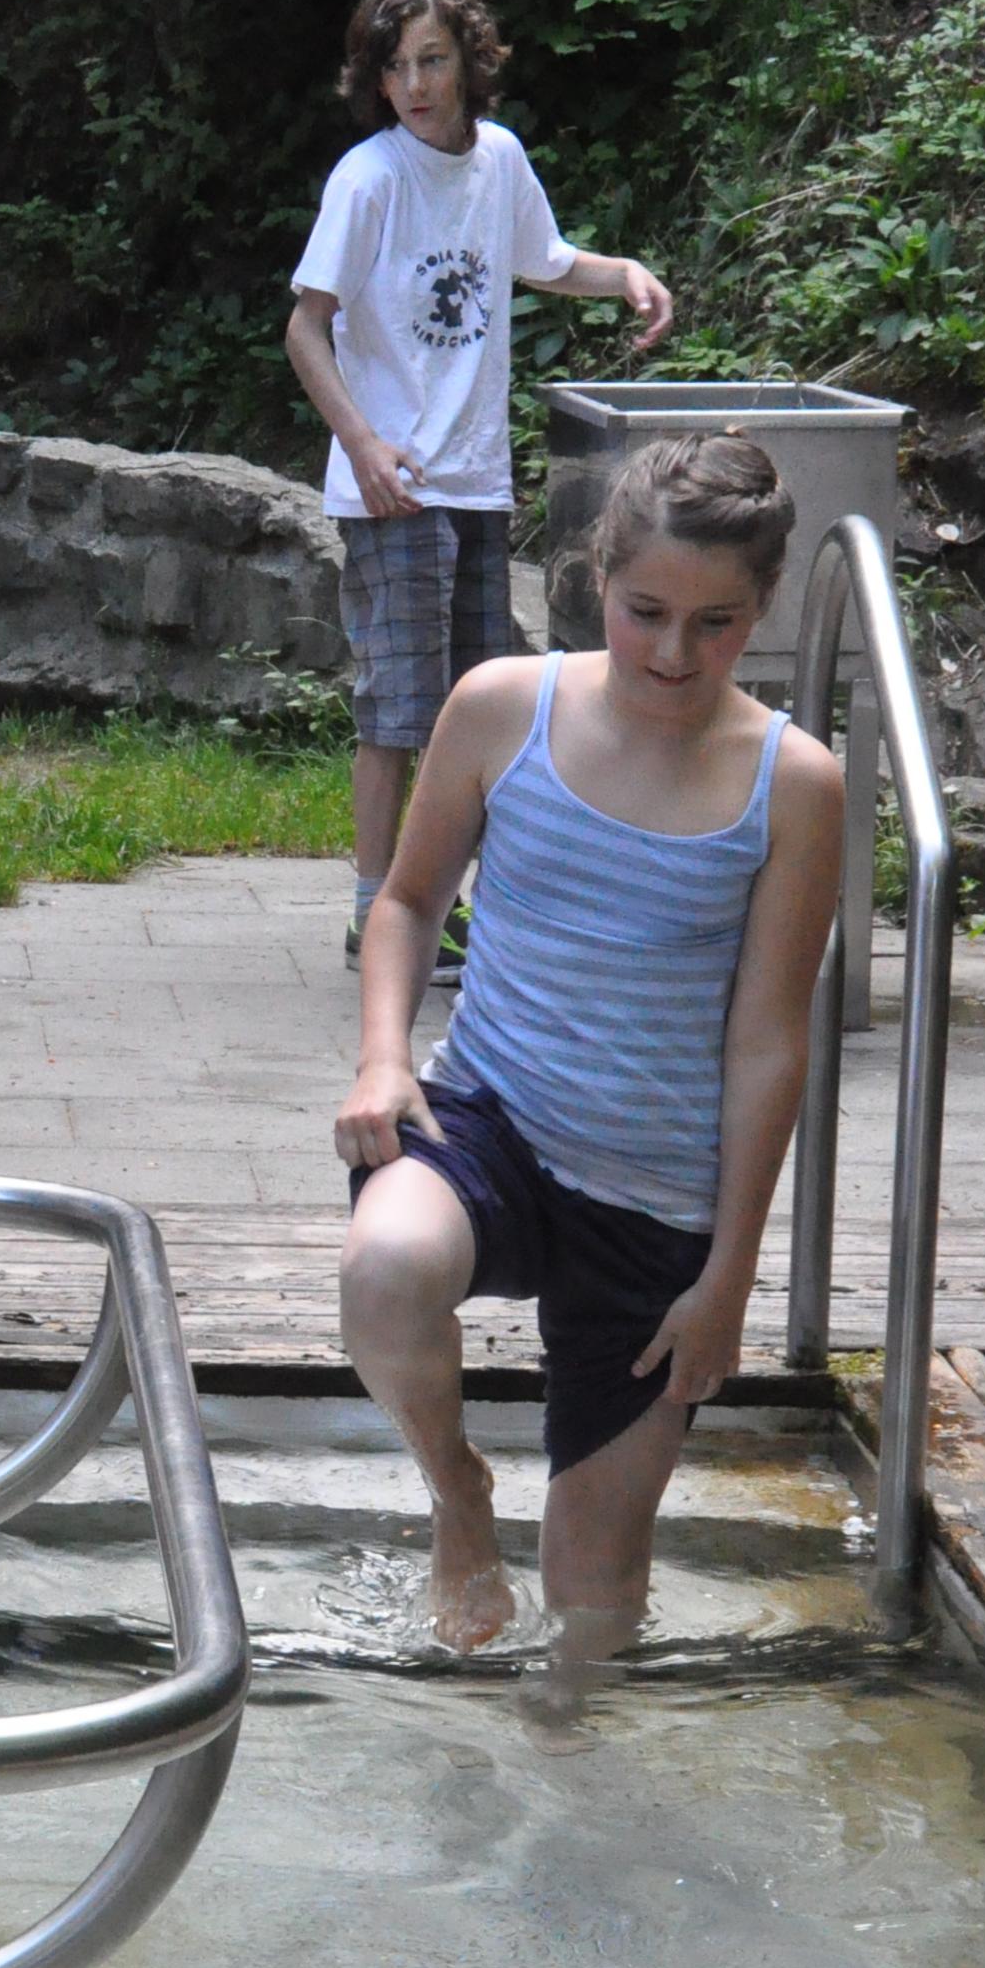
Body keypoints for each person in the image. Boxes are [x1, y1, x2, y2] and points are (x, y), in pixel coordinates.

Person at [334, 432, 842, 1674]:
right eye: (644, 612)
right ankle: (457, 1491)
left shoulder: (793, 784)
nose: (672, 653)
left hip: (655, 1201)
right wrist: (382, 1059)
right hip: (485, 1125)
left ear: (762, 606)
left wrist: (726, 1279)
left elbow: (768, 1044)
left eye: (714, 624)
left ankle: (559, 1780)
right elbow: (405, 901)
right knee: (385, 1267)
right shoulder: (500, 707)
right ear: (595, 579)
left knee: (594, 1603)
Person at [288, 0, 675, 974]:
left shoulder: (497, 159)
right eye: (394, 68)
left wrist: (625, 277)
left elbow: (546, 260)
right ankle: (376, 912)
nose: (413, 86)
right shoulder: (368, 179)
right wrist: (362, 445)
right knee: (398, 711)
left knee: (472, 708)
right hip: (394, 487)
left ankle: (447, 905)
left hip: (475, 483)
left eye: (431, 61)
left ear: (468, 60)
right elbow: (304, 329)